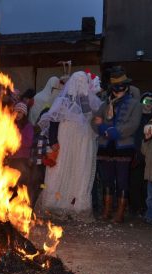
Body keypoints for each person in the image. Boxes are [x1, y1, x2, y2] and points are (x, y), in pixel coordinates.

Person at [36, 71, 102, 221]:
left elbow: (96, 119)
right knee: (61, 168)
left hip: (83, 142)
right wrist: (53, 141)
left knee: (80, 169)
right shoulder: (63, 101)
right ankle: (55, 203)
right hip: (65, 140)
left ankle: (78, 205)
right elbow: (53, 120)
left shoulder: (91, 101)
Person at [92, 70, 142, 223]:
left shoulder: (135, 104)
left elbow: (133, 125)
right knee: (107, 180)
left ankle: (120, 212)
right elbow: (94, 121)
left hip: (123, 147)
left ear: (126, 87)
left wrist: (115, 132)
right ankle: (107, 210)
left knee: (122, 181)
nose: (117, 90)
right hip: (106, 147)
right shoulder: (105, 104)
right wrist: (101, 129)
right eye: (115, 87)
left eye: (120, 87)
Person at [129, 92, 152, 217]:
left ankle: (146, 208)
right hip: (136, 154)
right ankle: (135, 208)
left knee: (148, 184)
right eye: (146, 101)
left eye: (151, 101)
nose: (149, 104)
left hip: (151, 156)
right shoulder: (136, 117)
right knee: (135, 182)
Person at [7, 102, 34, 193]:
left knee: (20, 182)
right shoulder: (11, 125)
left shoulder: (28, 126)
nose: (17, 114)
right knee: (11, 183)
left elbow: (28, 143)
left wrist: (17, 137)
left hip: (22, 159)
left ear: (24, 114)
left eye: (20, 112)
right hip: (12, 158)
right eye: (16, 112)